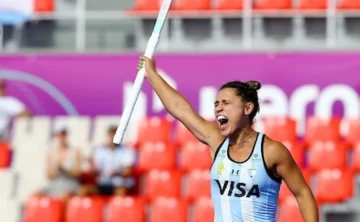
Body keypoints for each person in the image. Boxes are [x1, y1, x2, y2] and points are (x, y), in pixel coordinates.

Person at [138, 56, 319, 222]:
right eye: (216, 103)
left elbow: (302, 193)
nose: (218, 108)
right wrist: (152, 74)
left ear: (247, 109)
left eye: (226, 103)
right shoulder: (216, 140)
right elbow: (180, 109)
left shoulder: (272, 151)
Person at [82, 126, 136, 197]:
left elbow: (127, 172)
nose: (112, 138)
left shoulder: (126, 151)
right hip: (103, 184)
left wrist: (115, 173)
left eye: (114, 135)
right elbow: (96, 171)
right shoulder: (100, 150)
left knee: (121, 193)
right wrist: (92, 168)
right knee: (84, 191)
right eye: (110, 135)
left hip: (119, 184)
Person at [43, 123, 82, 200]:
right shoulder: (50, 153)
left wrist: (64, 170)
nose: (61, 137)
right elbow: (48, 176)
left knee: (64, 196)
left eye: (63, 133)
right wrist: (55, 171)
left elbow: (78, 173)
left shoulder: (75, 151)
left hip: (70, 184)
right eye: (59, 134)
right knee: (35, 196)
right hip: (55, 184)